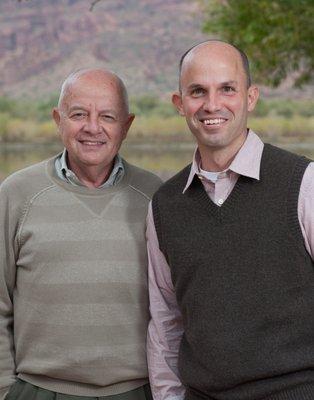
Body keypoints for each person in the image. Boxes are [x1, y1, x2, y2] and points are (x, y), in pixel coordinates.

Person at [146, 40, 314, 400]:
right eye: (197, 91)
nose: (212, 104)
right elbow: (165, 323)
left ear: (251, 97)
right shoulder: (164, 205)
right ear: (180, 104)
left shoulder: (304, 184)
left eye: (227, 88)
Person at [0, 68, 162, 400]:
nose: (92, 127)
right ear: (58, 119)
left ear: (126, 126)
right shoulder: (17, 194)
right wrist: (6, 390)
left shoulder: (155, 197)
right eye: (78, 115)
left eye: (107, 116)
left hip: (136, 392)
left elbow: (173, 308)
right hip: (38, 391)